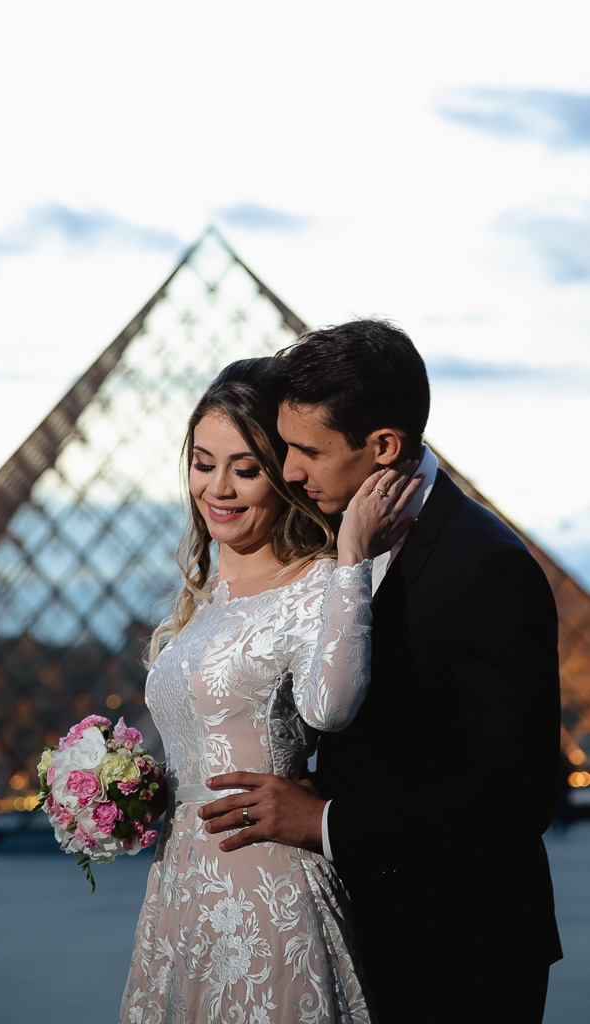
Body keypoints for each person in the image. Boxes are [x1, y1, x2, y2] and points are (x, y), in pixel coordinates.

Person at [200, 320, 562, 1024]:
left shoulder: (484, 565)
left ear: (384, 447)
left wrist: (327, 820)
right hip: (359, 929)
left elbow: (517, 797)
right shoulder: (332, 539)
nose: (291, 472)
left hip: (463, 947)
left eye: (306, 451)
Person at [119, 357, 420, 1024]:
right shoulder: (203, 595)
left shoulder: (318, 583)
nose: (216, 487)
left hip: (267, 883)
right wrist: (125, 794)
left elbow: (329, 706)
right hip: (181, 887)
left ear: (280, 474)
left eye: (245, 469)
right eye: (202, 462)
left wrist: (349, 563)